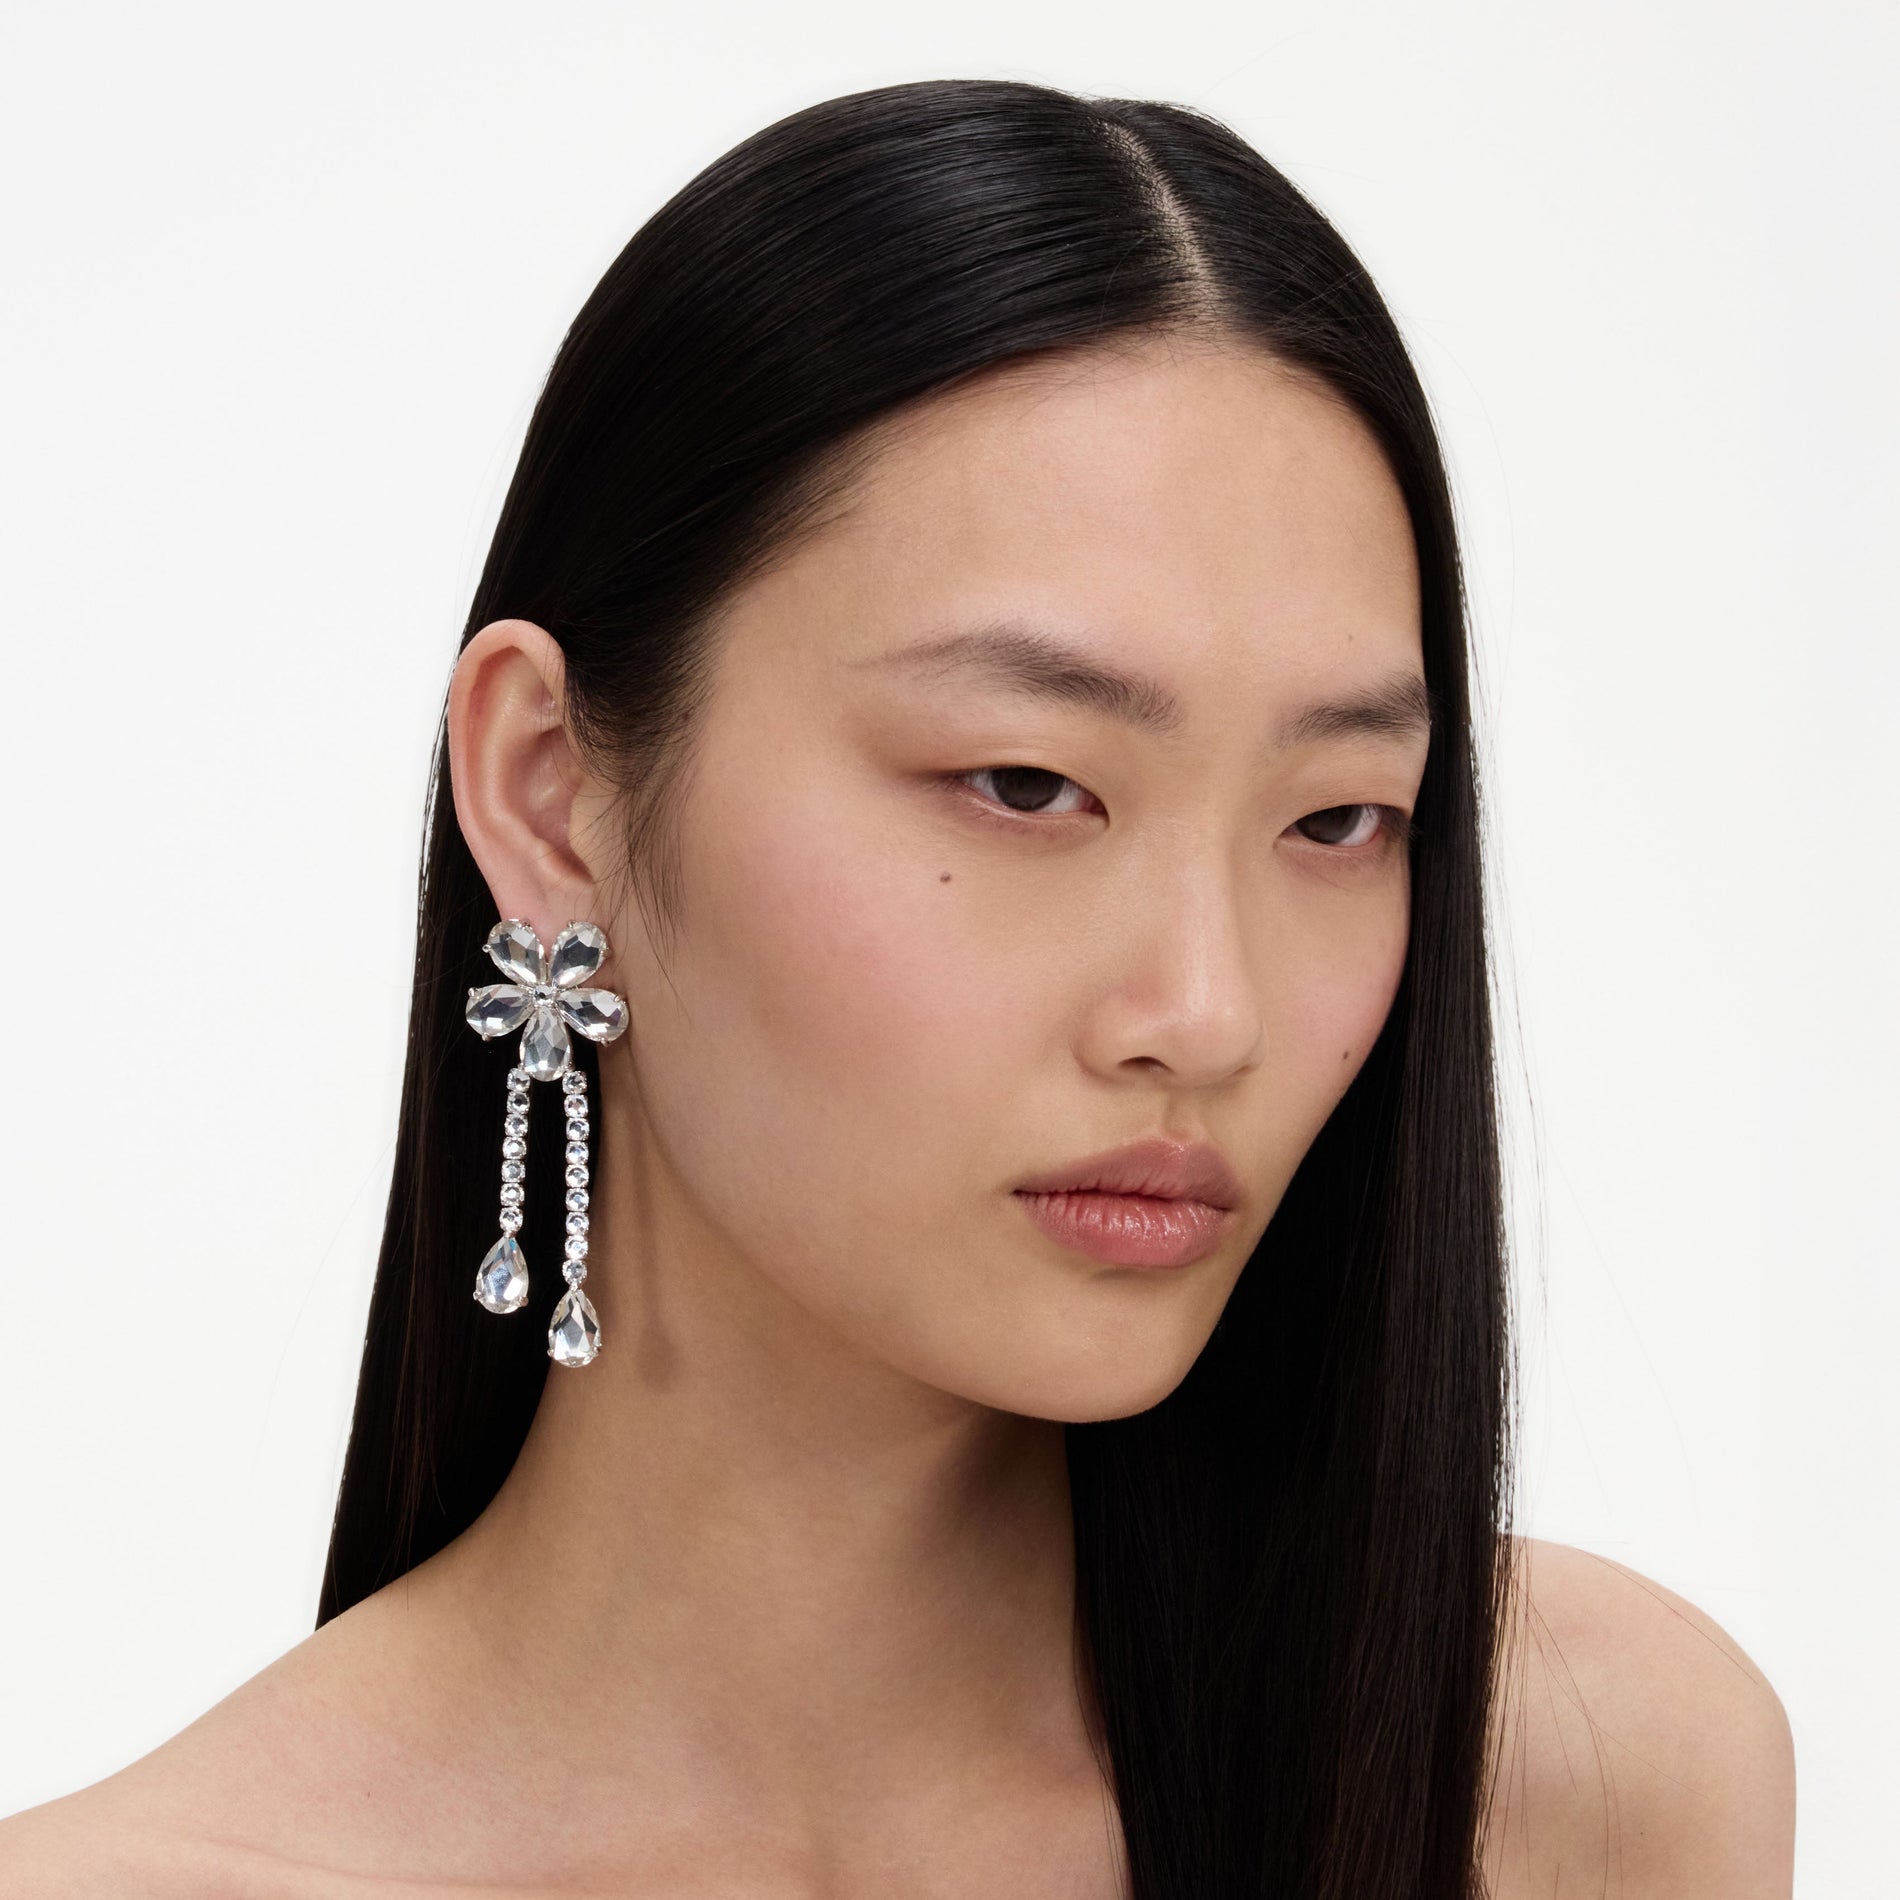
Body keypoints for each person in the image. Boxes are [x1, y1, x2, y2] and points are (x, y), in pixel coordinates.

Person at [0, 77, 1793, 1898]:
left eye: (1338, 819)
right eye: (1027, 785)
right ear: (550, 792)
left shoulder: (1578, 1784)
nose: (1206, 1008)